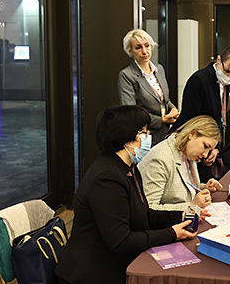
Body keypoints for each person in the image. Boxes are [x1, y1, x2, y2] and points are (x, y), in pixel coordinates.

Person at [55, 105, 196, 284]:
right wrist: (171, 234)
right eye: (143, 132)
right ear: (128, 138)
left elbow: (142, 214)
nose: (148, 138)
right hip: (90, 273)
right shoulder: (106, 178)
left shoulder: (128, 168)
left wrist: (179, 216)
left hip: (112, 264)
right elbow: (121, 241)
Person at [169, 45, 230, 182]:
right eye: (227, 71)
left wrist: (215, 148)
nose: (229, 77)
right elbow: (190, 120)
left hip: (210, 145)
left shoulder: (223, 82)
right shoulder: (199, 80)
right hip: (192, 144)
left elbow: (219, 117)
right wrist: (207, 150)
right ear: (218, 60)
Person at [139, 115, 223, 211]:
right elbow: (150, 208)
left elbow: (184, 186)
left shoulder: (187, 151)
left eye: (209, 150)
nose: (205, 155)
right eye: (205, 146)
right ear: (192, 134)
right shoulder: (160, 160)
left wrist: (204, 187)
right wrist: (191, 205)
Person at [119, 29, 179, 146]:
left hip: (166, 132)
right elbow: (131, 112)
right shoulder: (127, 75)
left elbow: (164, 100)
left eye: (147, 46)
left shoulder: (159, 69)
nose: (144, 51)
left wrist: (173, 110)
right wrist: (161, 120)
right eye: (138, 48)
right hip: (145, 136)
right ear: (130, 51)